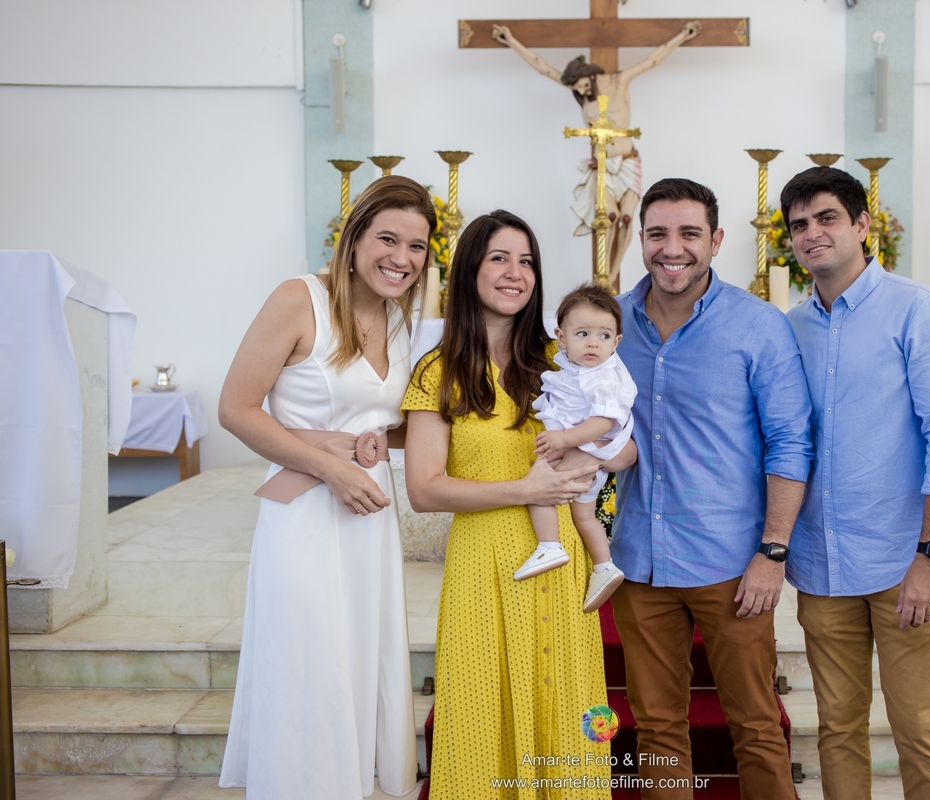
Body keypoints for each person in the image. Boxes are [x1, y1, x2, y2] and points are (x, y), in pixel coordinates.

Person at [217, 176, 431, 799]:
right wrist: (331, 467)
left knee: (358, 659)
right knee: (309, 662)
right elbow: (237, 408)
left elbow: (380, 424)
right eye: (388, 239)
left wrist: (375, 444)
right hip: (305, 515)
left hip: (368, 524)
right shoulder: (298, 298)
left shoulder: (398, 320)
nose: (402, 258)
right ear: (354, 237)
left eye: (417, 246)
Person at [403, 210, 626, 799]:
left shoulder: (562, 364)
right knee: (483, 713)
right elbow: (423, 489)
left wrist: (599, 458)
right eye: (499, 258)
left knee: (565, 712)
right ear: (469, 268)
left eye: (526, 261)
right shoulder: (439, 371)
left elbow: (621, 440)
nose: (515, 272)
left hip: (563, 561)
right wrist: (524, 491)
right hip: (484, 565)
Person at [610, 178, 813, 798]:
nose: (673, 249)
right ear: (641, 241)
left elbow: (790, 443)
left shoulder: (758, 327)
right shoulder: (609, 324)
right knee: (657, 730)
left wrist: (772, 550)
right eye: (658, 234)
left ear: (716, 240)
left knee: (754, 724)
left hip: (730, 563)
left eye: (689, 233)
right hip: (638, 562)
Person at [782, 166, 930, 800]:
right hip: (821, 563)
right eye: (799, 225)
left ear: (863, 225)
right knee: (836, 727)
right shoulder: (791, 326)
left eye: (827, 218)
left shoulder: (920, 310)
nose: (812, 234)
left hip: (901, 560)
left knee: (918, 725)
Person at [491, 21, 700, 289]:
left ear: (589, 75)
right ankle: (604, 278)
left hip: (627, 163)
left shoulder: (618, 81)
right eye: (575, 88)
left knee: (627, 220)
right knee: (608, 219)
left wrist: (682, 35)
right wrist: (510, 40)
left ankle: (611, 275)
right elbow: (543, 67)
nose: (579, 91)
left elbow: (652, 60)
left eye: (580, 85)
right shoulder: (582, 93)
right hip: (602, 166)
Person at [517, 284, 636, 613]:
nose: (593, 343)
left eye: (604, 336)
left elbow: (604, 422)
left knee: (536, 488)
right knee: (584, 516)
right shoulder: (576, 371)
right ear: (561, 337)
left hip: (583, 452)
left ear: (617, 342)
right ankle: (603, 566)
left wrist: (563, 440)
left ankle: (549, 545)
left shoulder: (604, 378)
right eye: (583, 333)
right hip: (590, 458)